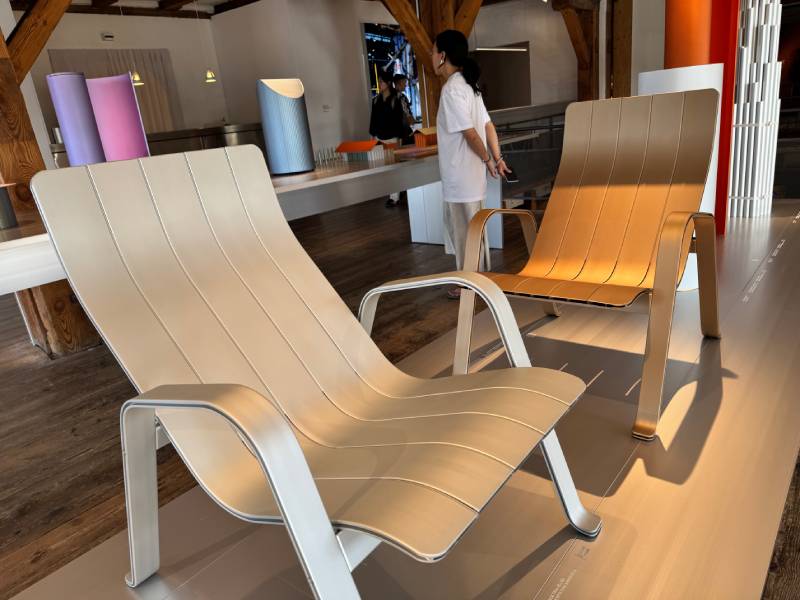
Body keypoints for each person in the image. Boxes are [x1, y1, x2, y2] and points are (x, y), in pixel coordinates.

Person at [432, 29, 510, 298]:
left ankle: (468, 285)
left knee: (464, 233)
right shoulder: (469, 87)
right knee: (475, 230)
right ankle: (479, 280)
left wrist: (489, 160)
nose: (432, 56)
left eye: (433, 51)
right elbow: (488, 126)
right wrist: (497, 158)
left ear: (443, 56)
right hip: (472, 176)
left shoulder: (452, 90)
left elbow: (471, 133)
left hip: (460, 176)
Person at [369, 69, 409, 206]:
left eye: (381, 82)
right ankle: (395, 191)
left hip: (392, 137)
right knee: (384, 168)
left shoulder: (396, 98)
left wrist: (399, 138)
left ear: (388, 82)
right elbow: (373, 120)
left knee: (394, 168)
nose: (379, 84)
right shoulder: (376, 100)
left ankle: (394, 197)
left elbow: (399, 120)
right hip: (379, 137)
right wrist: (373, 137)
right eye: (379, 81)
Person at [393, 73, 416, 145]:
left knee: (412, 140)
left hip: (406, 128)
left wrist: (410, 117)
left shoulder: (403, 97)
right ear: (398, 84)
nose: (406, 85)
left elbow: (408, 112)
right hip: (397, 129)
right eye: (404, 83)